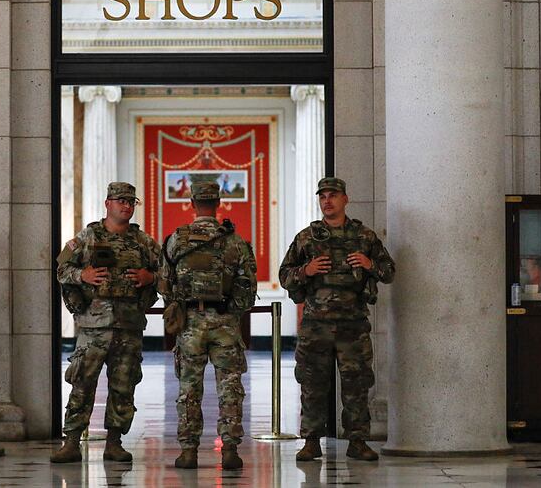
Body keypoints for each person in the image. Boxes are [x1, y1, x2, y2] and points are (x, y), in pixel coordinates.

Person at [279, 177, 395, 462]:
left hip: (352, 325)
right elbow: (284, 275)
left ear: (345, 199)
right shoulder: (307, 237)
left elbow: (389, 271)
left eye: (333, 195)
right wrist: (306, 270)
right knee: (312, 384)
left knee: (357, 384)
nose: (327, 201)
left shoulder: (364, 237)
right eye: (323, 196)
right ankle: (311, 441)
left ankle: (357, 440)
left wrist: (370, 264)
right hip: (315, 325)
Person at [51, 182, 161, 463]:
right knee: (82, 383)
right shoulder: (87, 237)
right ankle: (72, 441)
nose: (126, 206)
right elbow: (61, 268)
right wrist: (82, 276)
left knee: (123, 385)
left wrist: (151, 279)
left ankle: (115, 442)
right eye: (120, 200)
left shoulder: (144, 242)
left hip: (129, 325)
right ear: (107, 203)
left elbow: (170, 275)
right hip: (94, 326)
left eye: (130, 201)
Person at [159, 181, 257, 470]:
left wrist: (181, 306)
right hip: (225, 322)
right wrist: (230, 312)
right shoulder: (235, 241)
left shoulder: (176, 239)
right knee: (229, 388)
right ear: (218, 203)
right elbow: (248, 287)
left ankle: (188, 452)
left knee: (189, 388)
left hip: (189, 324)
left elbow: (165, 284)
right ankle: (229, 451)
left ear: (192, 203)